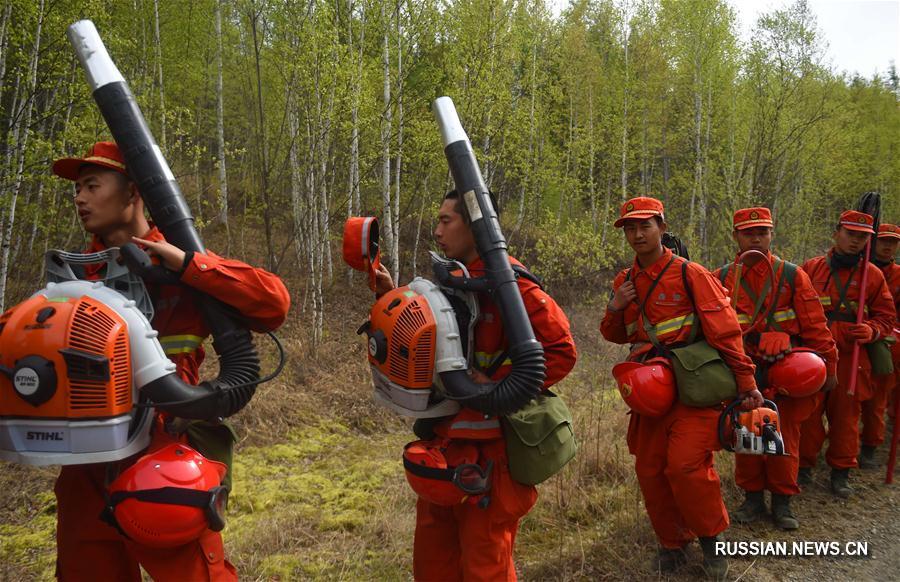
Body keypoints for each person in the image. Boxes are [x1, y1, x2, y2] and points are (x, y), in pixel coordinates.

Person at [51, 141, 291, 581]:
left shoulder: (183, 259)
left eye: (91, 185)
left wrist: (189, 267)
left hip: (164, 451)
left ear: (133, 193)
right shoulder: (72, 277)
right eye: (76, 190)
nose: (79, 198)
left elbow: (272, 304)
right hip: (85, 461)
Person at [374, 190, 577, 582]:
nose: (436, 231)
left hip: (491, 453)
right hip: (444, 443)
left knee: (485, 565)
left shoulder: (511, 285)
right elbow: (436, 339)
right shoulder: (453, 279)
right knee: (433, 562)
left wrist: (498, 385)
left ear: (475, 225)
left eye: (446, 221)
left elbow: (561, 351)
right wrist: (389, 297)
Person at [600, 196, 762, 580]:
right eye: (630, 228)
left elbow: (725, 333)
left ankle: (712, 543)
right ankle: (672, 544)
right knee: (651, 470)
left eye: (645, 226)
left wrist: (747, 382)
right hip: (650, 391)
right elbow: (612, 334)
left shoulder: (692, 274)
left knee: (687, 467)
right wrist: (616, 307)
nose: (638, 234)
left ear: (661, 226)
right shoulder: (623, 281)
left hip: (693, 388)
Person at [712, 207, 837, 530]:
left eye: (762, 232)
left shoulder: (793, 275)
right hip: (743, 369)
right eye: (748, 232)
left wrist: (829, 367)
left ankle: (782, 501)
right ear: (735, 237)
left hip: (787, 369)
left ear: (772, 234)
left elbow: (816, 326)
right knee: (747, 433)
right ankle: (752, 498)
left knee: (787, 438)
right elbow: (710, 326)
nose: (756, 237)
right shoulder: (722, 277)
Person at [797, 210, 895, 497]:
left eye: (862, 237)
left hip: (852, 356)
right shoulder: (812, 268)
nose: (856, 241)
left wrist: (871, 330)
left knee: (846, 418)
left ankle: (841, 472)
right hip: (814, 353)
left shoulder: (873, 275)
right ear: (836, 232)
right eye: (851, 234)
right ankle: (803, 467)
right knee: (809, 415)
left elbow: (886, 317)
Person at [859, 223, 900, 468]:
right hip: (857, 340)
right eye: (883, 240)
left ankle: (870, 447)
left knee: (878, 397)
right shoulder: (860, 270)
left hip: (888, 344)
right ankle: (845, 451)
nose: (887, 246)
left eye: (893, 242)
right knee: (851, 398)